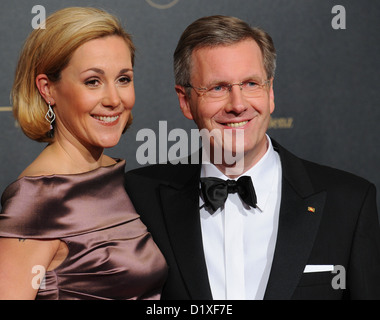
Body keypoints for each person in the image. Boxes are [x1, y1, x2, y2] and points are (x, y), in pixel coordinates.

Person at [125, 15, 380, 300]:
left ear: (270, 92)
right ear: (185, 101)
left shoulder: (349, 203)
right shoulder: (137, 199)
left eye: (250, 84)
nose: (238, 105)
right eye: (218, 88)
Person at [0, 7, 167, 300]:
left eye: (123, 79)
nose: (114, 99)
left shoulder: (117, 178)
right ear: (48, 89)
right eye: (93, 81)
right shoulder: (39, 199)